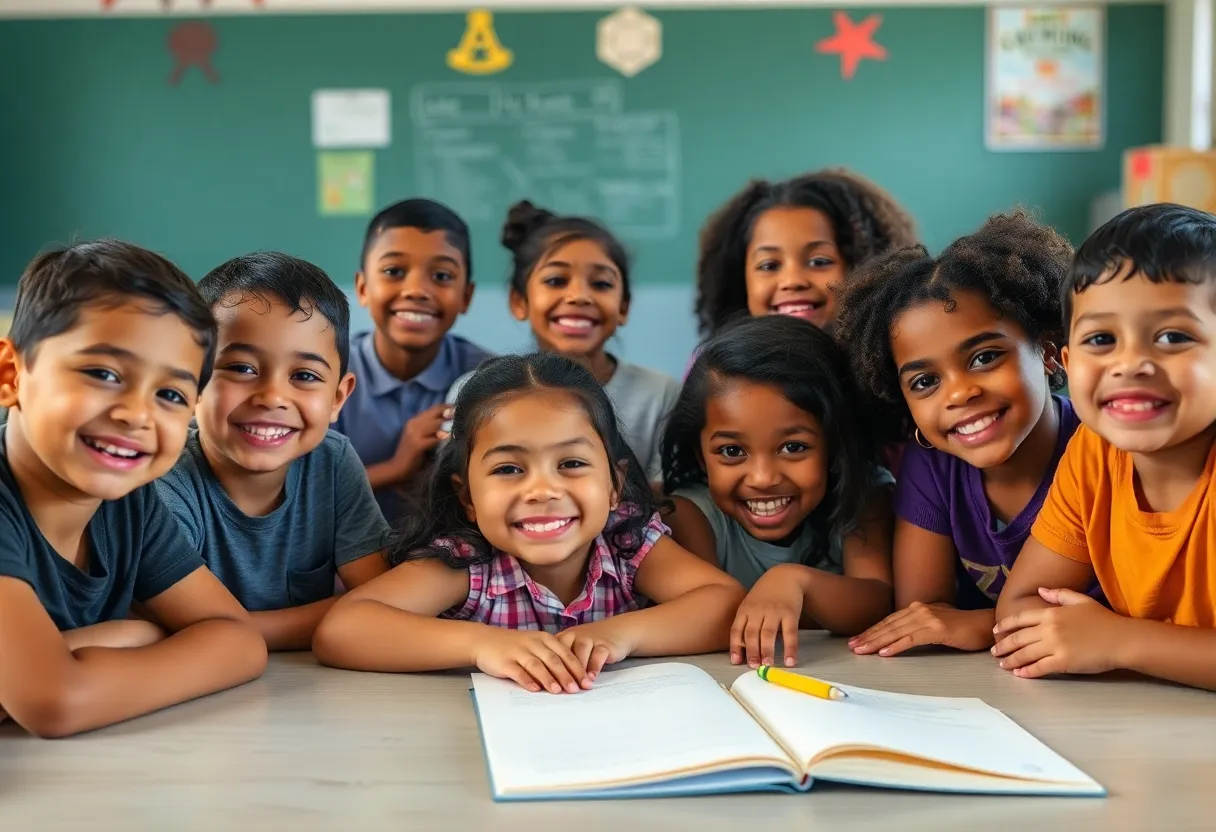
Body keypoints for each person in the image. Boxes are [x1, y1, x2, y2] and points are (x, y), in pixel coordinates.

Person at [313, 352, 743, 692]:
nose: (542, 490)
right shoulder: (467, 562)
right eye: (508, 469)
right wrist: (482, 644)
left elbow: (723, 603)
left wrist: (620, 635)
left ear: (615, 483)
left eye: (571, 463)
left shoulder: (628, 542)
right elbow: (343, 629)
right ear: (468, 497)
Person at [0, 240, 266, 737]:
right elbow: (55, 701)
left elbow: (241, 642)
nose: (137, 415)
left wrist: (107, 640)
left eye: (169, 394)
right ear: (11, 374)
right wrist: (135, 640)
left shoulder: (130, 506)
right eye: (103, 374)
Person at [838, 211, 1084, 659]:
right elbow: (922, 614)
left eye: (984, 357)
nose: (960, 393)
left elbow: (1118, 614)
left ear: (1048, 353)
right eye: (925, 382)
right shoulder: (930, 464)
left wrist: (981, 625)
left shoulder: (1102, 454)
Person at [994, 204, 1216, 691]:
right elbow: (1019, 608)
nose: (1130, 363)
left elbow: (1102, 641)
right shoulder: (1094, 453)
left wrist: (1119, 642)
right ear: (1068, 364)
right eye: (1101, 339)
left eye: (1173, 336)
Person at [156, 252, 390, 651]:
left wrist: (236, 631)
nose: (272, 397)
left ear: (337, 397)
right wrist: (343, 614)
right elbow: (190, 626)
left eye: (304, 375)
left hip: (306, 689)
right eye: (242, 368)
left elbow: (384, 600)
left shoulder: (332, 463)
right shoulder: (165, 479)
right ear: (191, 379)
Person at [662, 315, 895, 668]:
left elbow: (877, 601)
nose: (763, 478)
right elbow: (713, 618)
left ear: (833, 444)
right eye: (731, 451)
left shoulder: (862, 495)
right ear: (701, 455)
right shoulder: (690, 516)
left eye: (793, 447)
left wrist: (795, 582)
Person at [446, 200, 680, 484]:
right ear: (519, 301)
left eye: (601, 284)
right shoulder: (476, 394)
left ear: (623, 307)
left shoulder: (659, 394)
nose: (579, 296)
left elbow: (670, 496)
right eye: (556, 280)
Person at [335, 199, 491, 523]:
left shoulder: (491, 380)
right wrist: (395, 468)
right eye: (394, 271)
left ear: (466, 296)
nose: (417, 289)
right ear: (363, 288)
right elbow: (295, 493)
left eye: (442, 275)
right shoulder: (326, 371)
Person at [694, 168, 916, 340]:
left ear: (864, 271)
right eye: (769, 265)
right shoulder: (717, 384)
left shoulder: (893, 379)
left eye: (819, 262)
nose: (792, 281)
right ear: (739, 282)